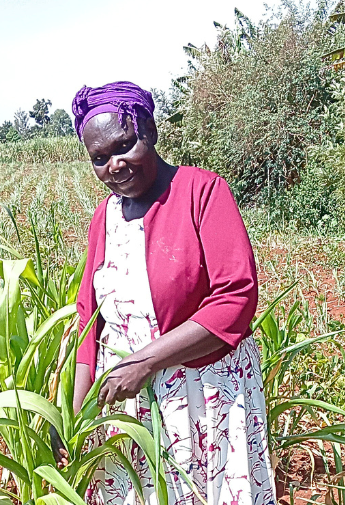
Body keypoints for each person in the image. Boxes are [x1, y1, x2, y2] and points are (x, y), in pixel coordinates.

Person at [70, 81, 275, 505]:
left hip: (204, 395)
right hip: (128, 403)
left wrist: (145, 362)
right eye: (99, 158)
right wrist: (74, 415)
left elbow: (235, 299)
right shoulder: (103, 219)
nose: (115, 165)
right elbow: (89, 318)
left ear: (151, 130)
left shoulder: (202, 192)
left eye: (124, 145)